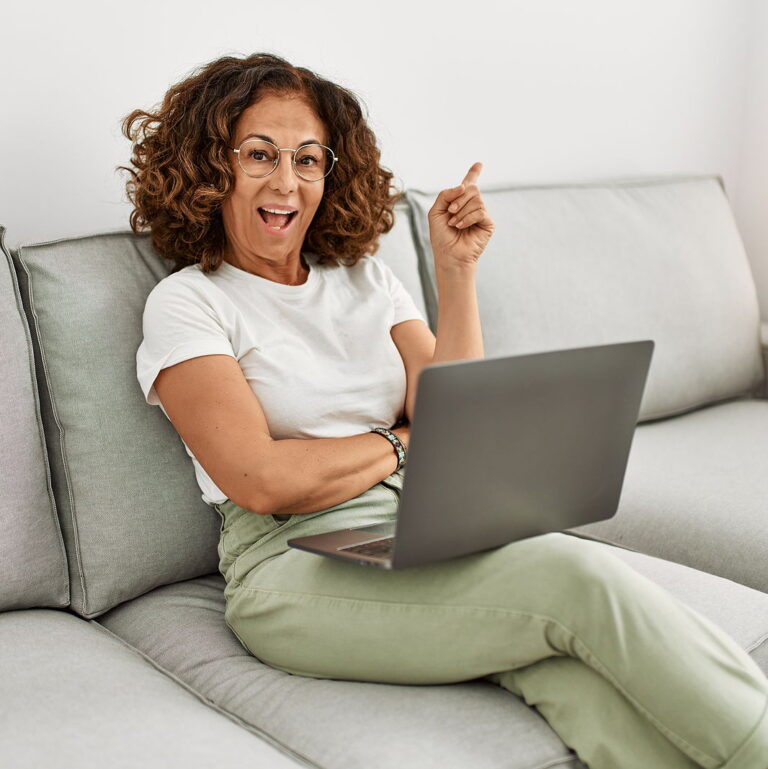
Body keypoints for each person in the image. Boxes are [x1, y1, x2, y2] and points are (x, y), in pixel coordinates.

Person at [122, 52, 768, 768]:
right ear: (213, 166)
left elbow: (455, 417)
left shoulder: (367, 278)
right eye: (259, 154)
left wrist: (456, 273)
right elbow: (261, 479)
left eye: (308, 158)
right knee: (574, 578)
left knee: (562, 668)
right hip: (287, 564)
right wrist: (400, 442)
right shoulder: (189, 302)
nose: (286, 181)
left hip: (420, 523)